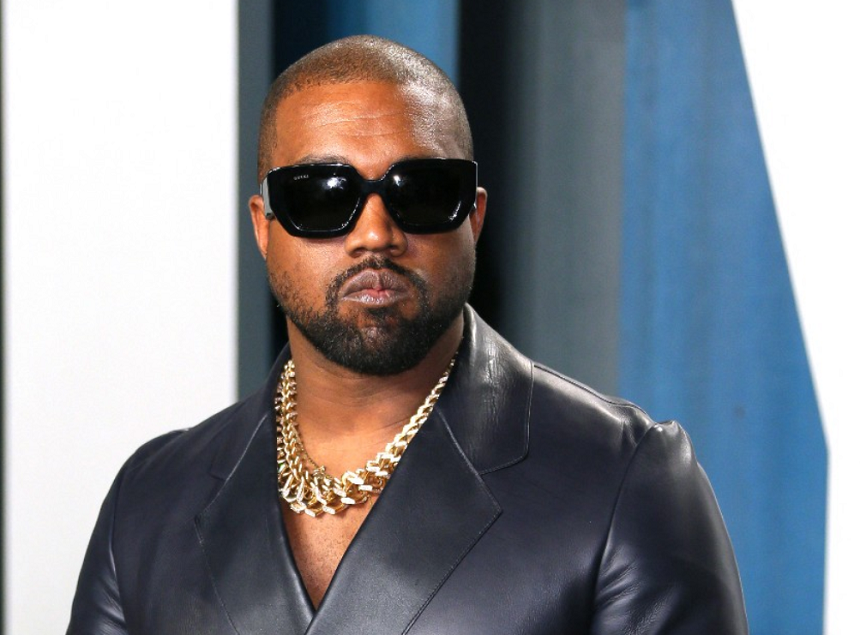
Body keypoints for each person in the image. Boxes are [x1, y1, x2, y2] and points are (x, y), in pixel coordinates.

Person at [67, 35, 748, 634]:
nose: (375, 234)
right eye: (322, 195)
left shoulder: (625, 481)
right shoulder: (149, 501)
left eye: (420, 191)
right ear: (263, 226)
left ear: (473, 217)